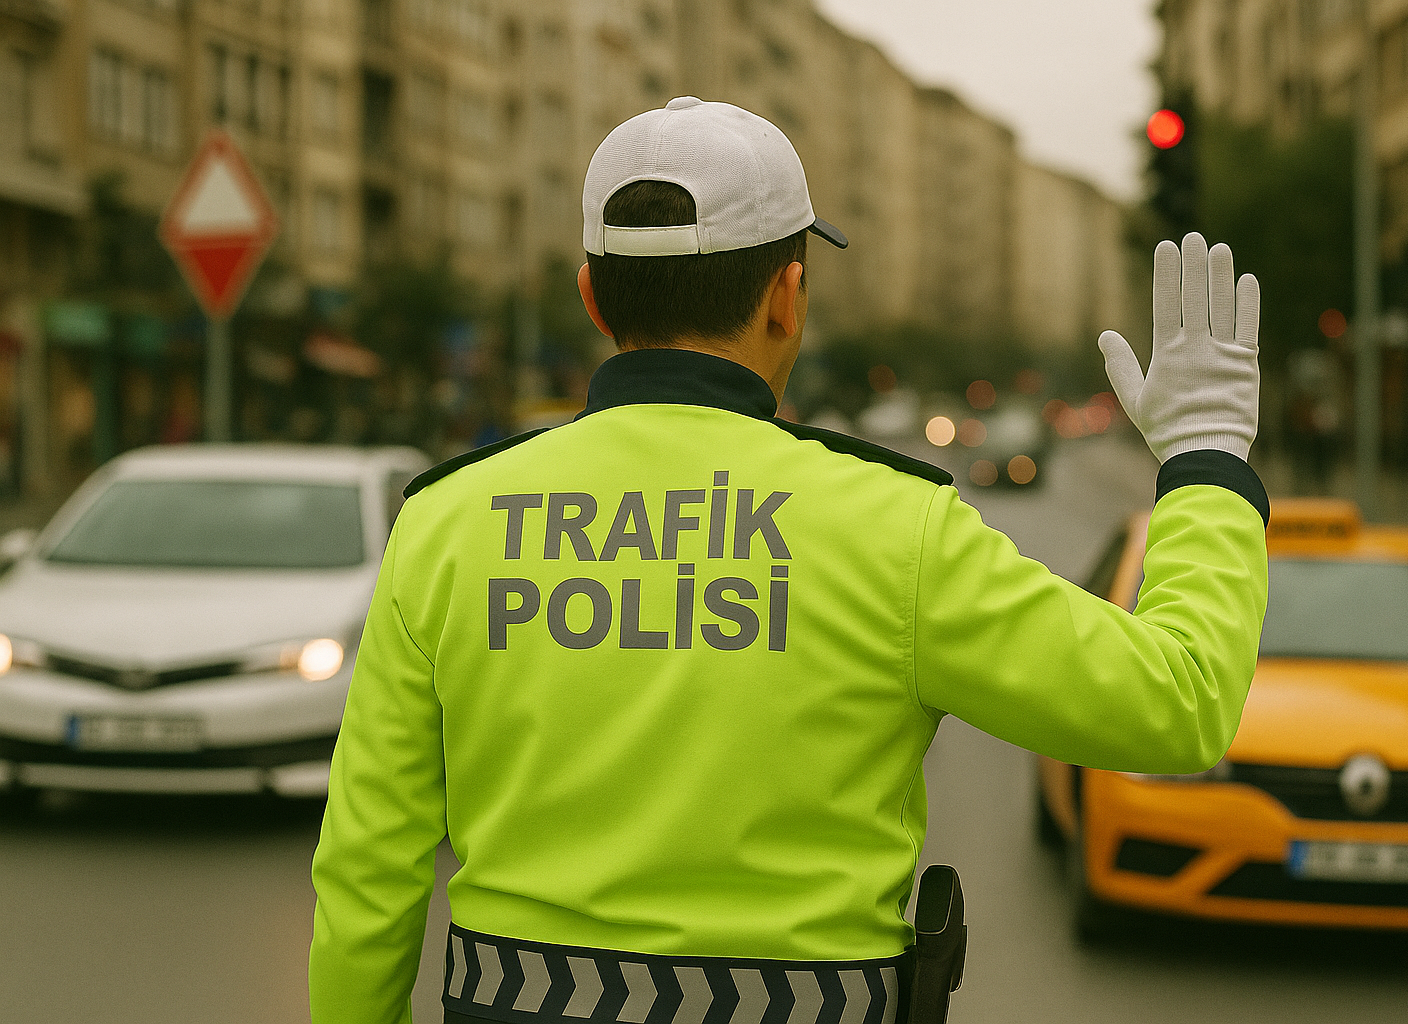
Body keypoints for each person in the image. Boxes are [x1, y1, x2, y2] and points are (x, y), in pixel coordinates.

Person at [310, 97, 1268, 1024]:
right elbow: (1176, 705)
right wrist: (1207, 458)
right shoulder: (897, 527)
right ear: (787, 294)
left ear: (593, 295)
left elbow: (366, 878)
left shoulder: (444, 523)